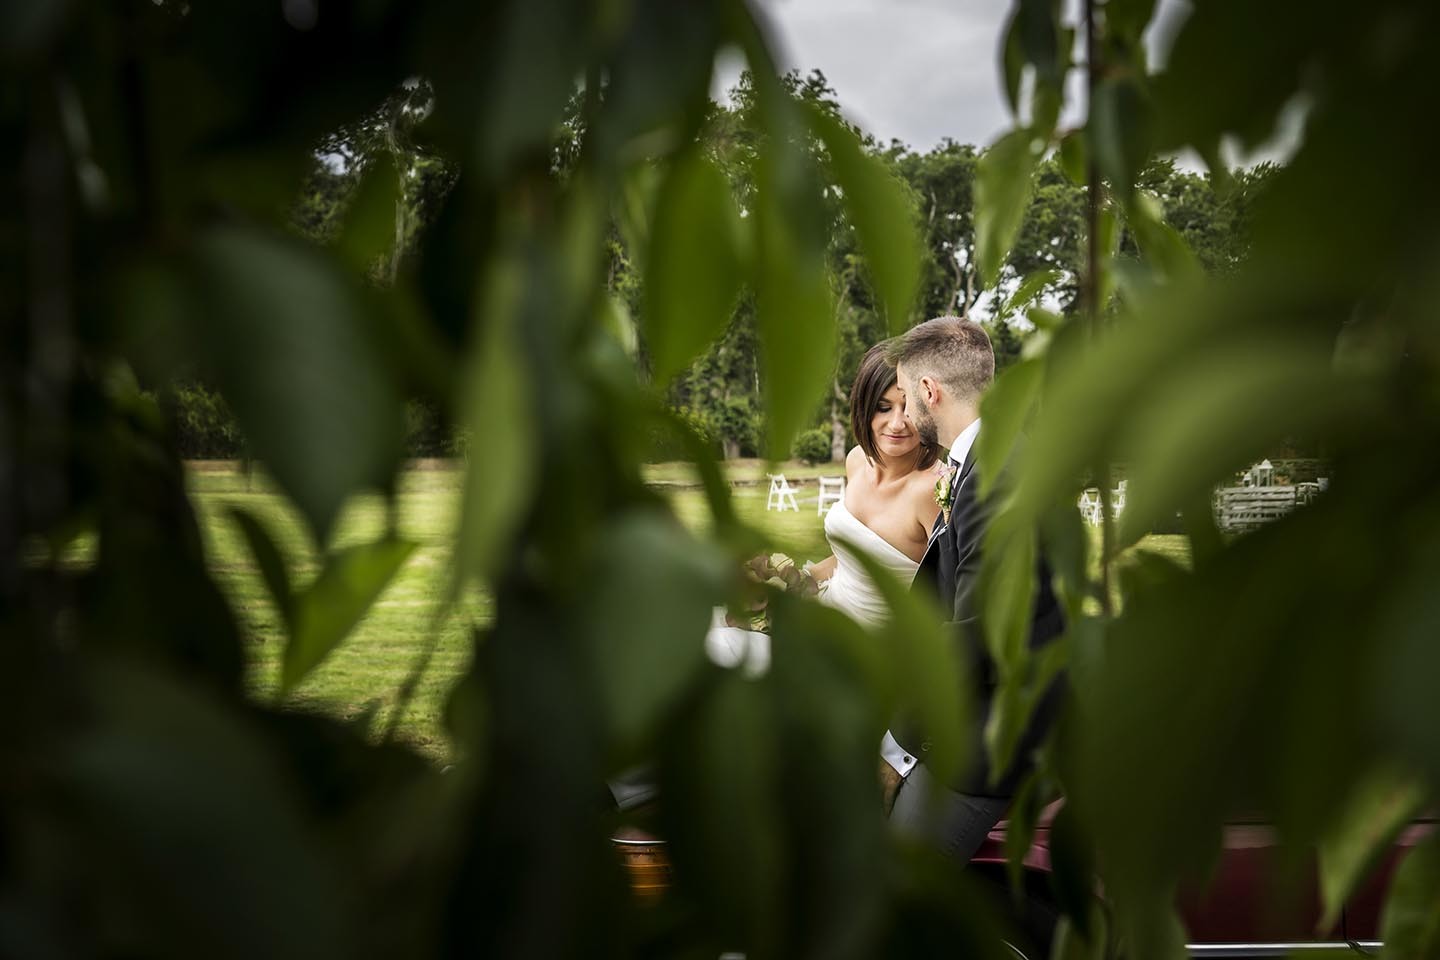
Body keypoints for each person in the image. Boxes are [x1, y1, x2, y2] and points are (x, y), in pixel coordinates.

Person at [885, 316, 1066, 862]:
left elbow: (977, 630)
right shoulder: (994, 455)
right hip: (983, 711)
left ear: (928, 391)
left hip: (992, 741)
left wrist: (898, 747)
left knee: (898, 886)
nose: (907, 414)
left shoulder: (994, 474)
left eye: (906, 396)